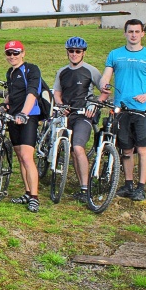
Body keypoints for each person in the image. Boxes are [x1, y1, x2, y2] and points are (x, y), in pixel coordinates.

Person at [100, 18, 146, 202]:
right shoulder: (115, 55)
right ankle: (128, 184)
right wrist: (104, 84)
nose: (133, 35)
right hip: (122, 110)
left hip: (143, 111)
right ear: (125, 33)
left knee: (143, 149)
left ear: (142, 33)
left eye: (137, 31)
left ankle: (140, 188)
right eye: (130, 31)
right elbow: (106, 75)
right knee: (126, 150)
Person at [52, 37, 109, 202]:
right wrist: (60, 105)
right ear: (67, 52)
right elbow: (57, 92)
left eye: (78, 51)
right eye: (71, 51)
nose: (74, 54)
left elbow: (105, 91)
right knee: (69, 150)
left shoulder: (91, 71)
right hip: (67, 114)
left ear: (83, 52)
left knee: (78, 148)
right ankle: (78, 185)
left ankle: (85, 189)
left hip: (84, 115)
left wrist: (96, 105)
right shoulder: (62, 72)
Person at [1, 40, 44, 213]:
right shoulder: (10, 73)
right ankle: (27, 192)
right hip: (14, 117)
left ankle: (34, 197)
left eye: (16, 53)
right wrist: (4, 105)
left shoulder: (31, 69)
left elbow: (32, 92)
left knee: (27, 156)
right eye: (9, 53)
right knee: (19, 155)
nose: (12, 56)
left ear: (23, 53)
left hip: (29, 117)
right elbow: (13, 94)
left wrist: (24, 114)